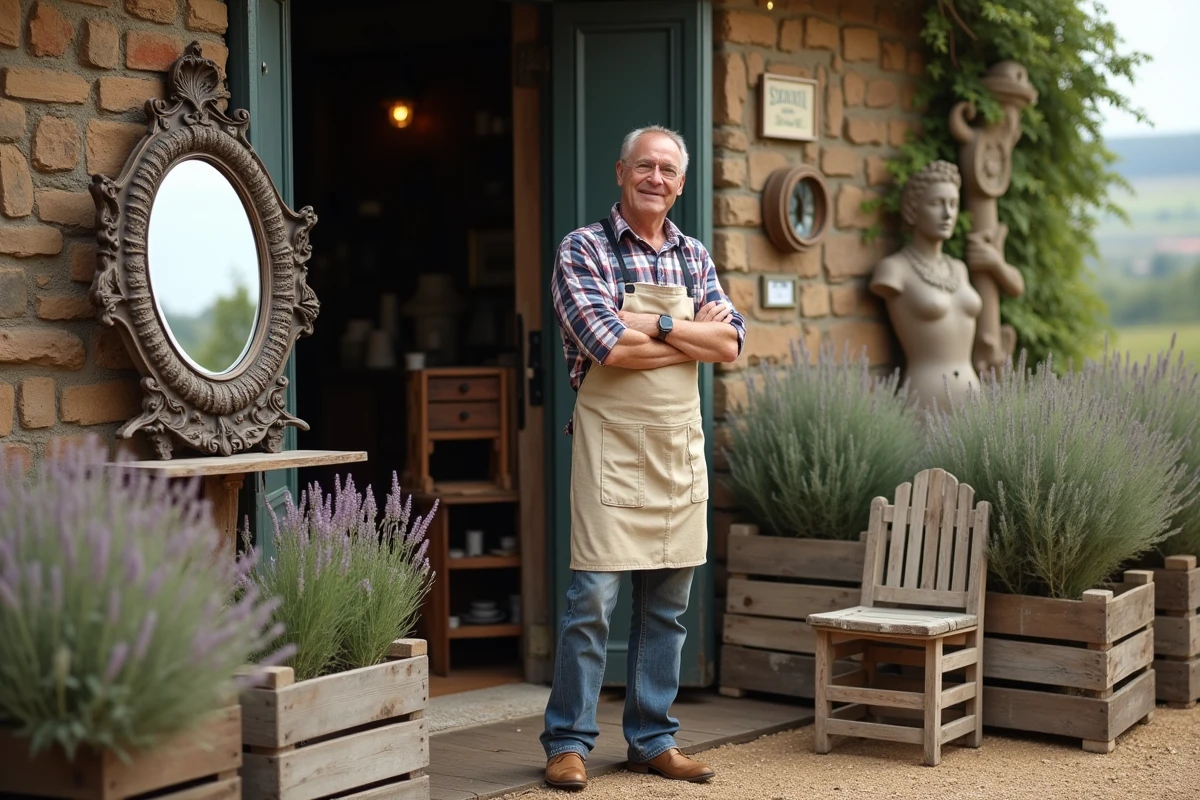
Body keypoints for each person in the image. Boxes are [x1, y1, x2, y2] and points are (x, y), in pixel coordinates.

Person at [541, 126, 745, 791]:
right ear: (621, 172)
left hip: (676, 449)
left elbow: (732, 346)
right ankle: (568, 742)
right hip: (613, 447)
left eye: (668, 169)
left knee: (668, 605)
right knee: (592, 600)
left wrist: (652, 322)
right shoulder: (583, 248)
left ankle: (652, 739)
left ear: (680, 183)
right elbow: (609, 347)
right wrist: (690, 334)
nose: (656, 178)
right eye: (644, 167)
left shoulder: (693, 254)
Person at [870, 160, 986, 412]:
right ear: (912, 210)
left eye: (954, 204)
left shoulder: (959, 269)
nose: (948, 213)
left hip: (971, 391)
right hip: (926, 395)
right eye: (936, 203)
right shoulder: (894, 270)